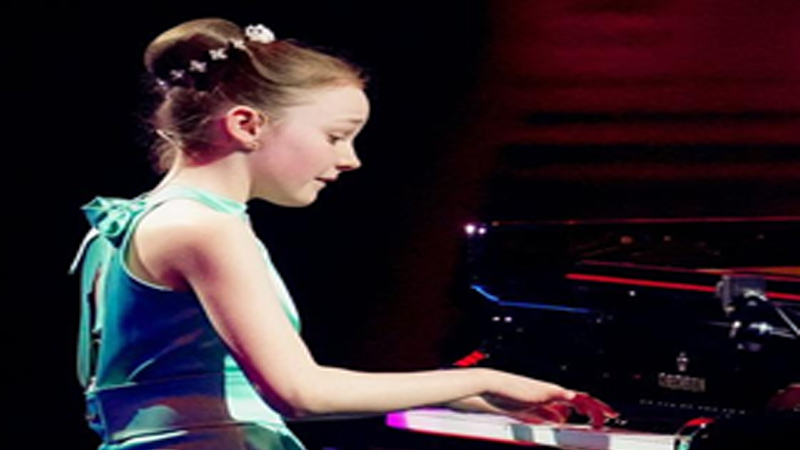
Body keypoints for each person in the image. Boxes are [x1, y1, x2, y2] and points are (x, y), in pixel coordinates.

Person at [71, 17, 618, 450]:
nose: (351, 159)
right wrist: (481, 379)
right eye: (336, 136)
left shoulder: (134, 221)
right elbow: (300, 393)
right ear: (246, 124)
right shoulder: (204, 229)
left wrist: (462, 398)